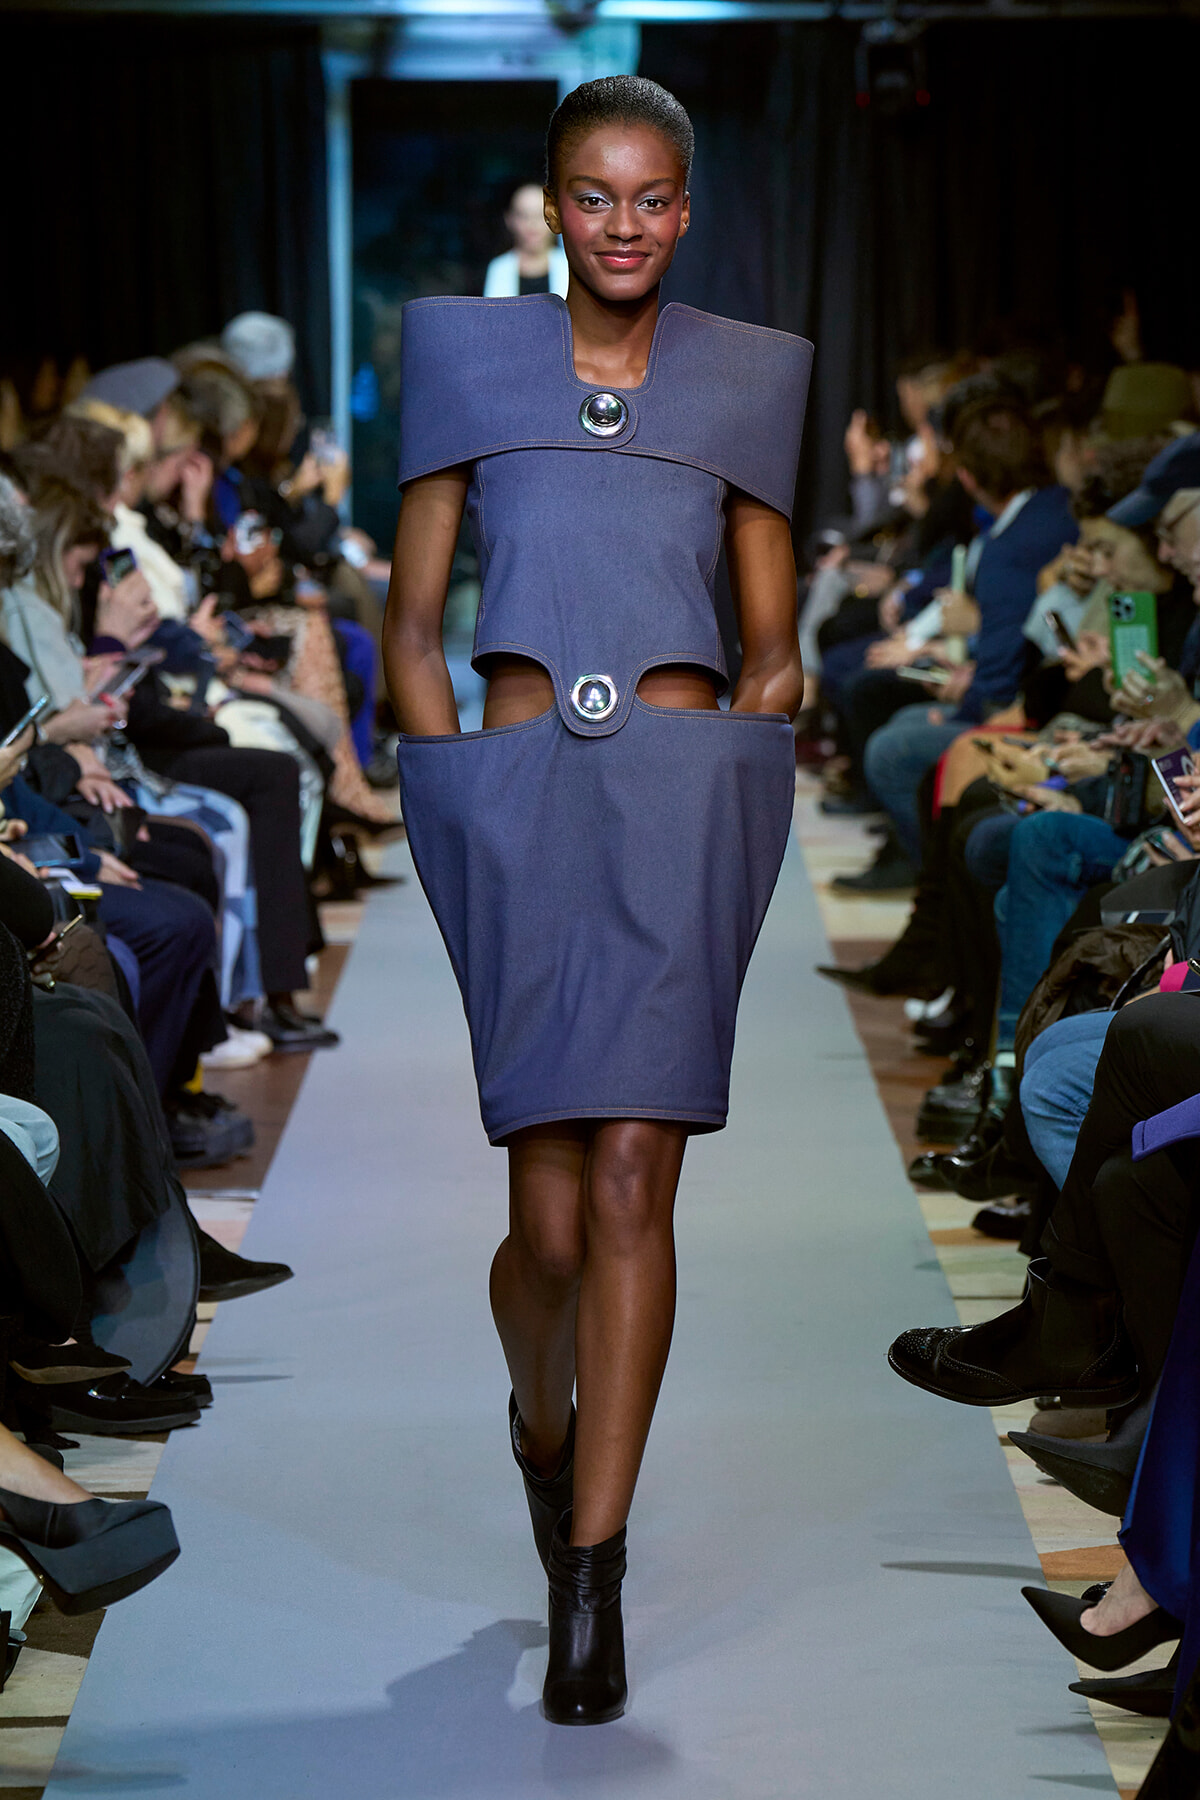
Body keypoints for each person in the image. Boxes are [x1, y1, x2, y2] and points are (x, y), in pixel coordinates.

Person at [384, 76, 810, 1726]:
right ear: (551, 204)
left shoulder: (744, 380)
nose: (621, 224)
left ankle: (592, 1572)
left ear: (684, 209)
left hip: (675, 807)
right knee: (547, 1229)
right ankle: (540, 1430)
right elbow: (415, 622)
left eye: (650, 197)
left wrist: (730, 801)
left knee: (636, 1177)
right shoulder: (470, 367)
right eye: (592, 195)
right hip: (520, 810)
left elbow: (771, 645)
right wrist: (453, 802)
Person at [483, 182, 569, 298]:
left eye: (540, 215)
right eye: (524, 216)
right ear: (509, 220)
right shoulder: (499, 268)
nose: (532, 225)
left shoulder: (570, 265)